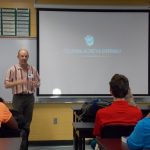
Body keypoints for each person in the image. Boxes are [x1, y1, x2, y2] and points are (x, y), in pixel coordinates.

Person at [4, 48, 40, 150]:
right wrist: (19, 82)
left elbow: (38, 83)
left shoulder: (33, 69)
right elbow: (6, 84)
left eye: (26, 56)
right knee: (17, 123)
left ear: (28, 57)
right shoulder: (12, 69)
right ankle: (18, 147)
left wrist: (35, 84)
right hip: (18, 98)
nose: (24, 58)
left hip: (29, 98)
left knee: (27, 124)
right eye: (22, 56)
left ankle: (25, 147)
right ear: (18, 57)